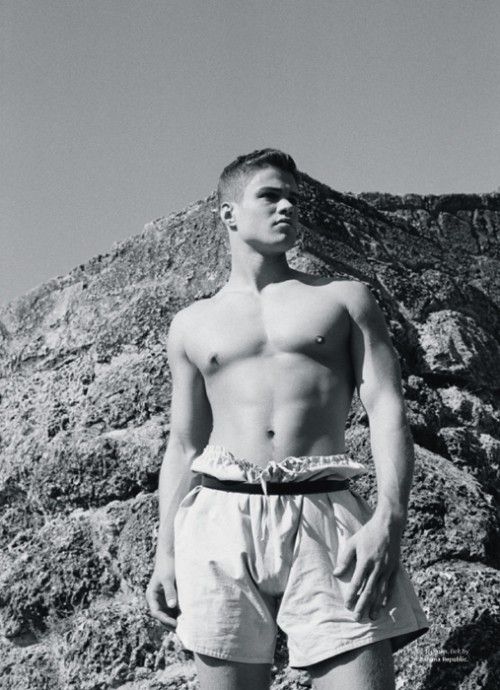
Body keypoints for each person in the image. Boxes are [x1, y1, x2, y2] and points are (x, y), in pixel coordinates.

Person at [146, 149, 429, 690]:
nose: (288, 207)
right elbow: (184, 445)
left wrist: (388, 521)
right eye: (271, 195)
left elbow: (386, 408)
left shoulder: (343, 299)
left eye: (294, 198)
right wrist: (166, 552)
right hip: (221, 519)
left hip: (324, 511)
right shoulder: (192, 324)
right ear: (228, 213)